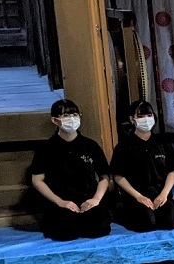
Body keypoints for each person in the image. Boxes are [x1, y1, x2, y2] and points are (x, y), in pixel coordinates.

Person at [28, 99, 112, 240]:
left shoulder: (90, 145)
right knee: (66, 233)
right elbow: (37, 179)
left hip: (89, 198)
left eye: (74, 115)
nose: (71, 119)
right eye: (66, 116)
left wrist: (96, 199)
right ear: (55, 120)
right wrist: (60, 202)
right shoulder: (46, 148)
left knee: (98, 229)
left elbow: (104, 176)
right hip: (61, 200)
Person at [110, 100, 174, 232]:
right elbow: (118, 176)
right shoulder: (124, 146)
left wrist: (164, 194)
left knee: (170, 222)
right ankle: (119, 212)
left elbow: (172, 171)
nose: (146, 120)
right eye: (141, 117)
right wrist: (139, 197)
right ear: (132, 119)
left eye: (149, 115)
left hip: (160, 194)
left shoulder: (162, 143)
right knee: (148, 223)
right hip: (136, 196)